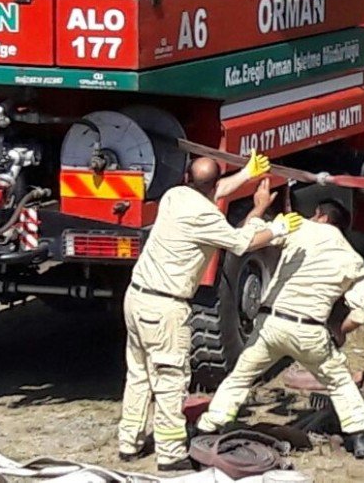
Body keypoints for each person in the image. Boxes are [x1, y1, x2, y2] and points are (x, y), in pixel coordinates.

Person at [118, 152, 304, 472]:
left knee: (139, 373)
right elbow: (242, 242)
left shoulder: (175, 196)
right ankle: (170, 452)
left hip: (136, 299)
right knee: (170, 379)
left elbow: (213, 191)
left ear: (188, 179)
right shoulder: (206, 218)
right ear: (210, 183)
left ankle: (129, 442)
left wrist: (246, 173)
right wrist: (275, 226)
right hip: (165, 306)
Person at [196, 201, 364, 457]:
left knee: (240, 377)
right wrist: (339, 331)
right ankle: (361, 435)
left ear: (320, 215)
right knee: (339, 381)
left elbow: (251, 235)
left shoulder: (300, 228)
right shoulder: (353, 259)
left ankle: (210, 427)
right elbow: (360, 314)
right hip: (310, 329)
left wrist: (259, 207)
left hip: (271, 324)